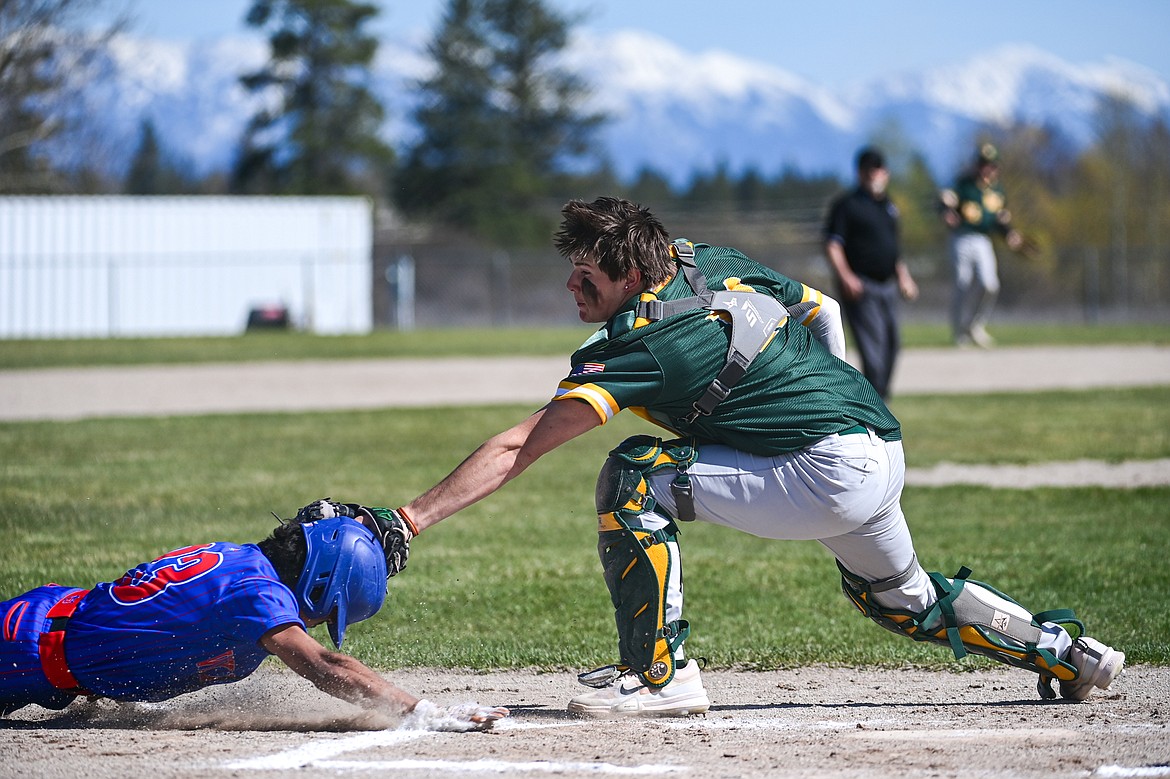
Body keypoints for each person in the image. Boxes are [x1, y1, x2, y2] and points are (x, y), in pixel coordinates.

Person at [358, 196, 1123, 717]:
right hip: (878, 441)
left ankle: (660, 676)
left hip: (823, 468)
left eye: (585, 275)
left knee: (633, 474)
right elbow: (819, 310)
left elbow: (523, 443)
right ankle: (1067, 653)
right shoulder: (707, 258)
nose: (570, 285)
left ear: (629, 273)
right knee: (903, 600)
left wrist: (409, 518)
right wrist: (831, 394)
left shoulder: (642, 342)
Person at [0, 512, 508, 730]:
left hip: (48, 631)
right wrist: (419, 710)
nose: (313, 622)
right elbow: (325, 666)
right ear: (318, 583)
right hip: (22, 650)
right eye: (325, 610)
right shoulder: (257, 594)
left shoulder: (245, 561)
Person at [823, 146, 918, 399]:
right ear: (861, 174)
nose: (875, 176)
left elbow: (893, 249)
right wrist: (846, 276)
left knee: (892, 346)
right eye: (870, 171)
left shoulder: (888, 206)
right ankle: (873, 404)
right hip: (862, 287)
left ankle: (879, 402)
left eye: (879, 171)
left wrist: (904, 277)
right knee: (873, 352)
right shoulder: (847, 205)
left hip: (887, 285)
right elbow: (833, 244)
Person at [940, 143, 1025, 348]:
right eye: (983, 164)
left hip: (982, 240)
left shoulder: (997, 190)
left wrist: (1010, 234)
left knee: (990, 284)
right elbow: (944, 201)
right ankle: (959, 331)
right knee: (963, 283)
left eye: (991, 165)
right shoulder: (964, 184)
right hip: (961, 238)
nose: (987, 169)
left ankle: (974, 325)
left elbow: (999, 219)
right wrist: (945, 211)